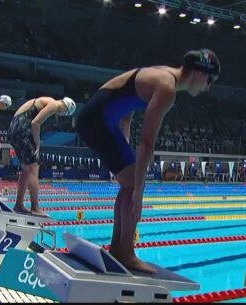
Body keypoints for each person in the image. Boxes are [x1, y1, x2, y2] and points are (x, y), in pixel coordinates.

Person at [76, 49, 220, 273]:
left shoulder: (162, 73)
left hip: (98, 118)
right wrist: (139, 193)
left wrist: (124, 138)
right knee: (133, 185)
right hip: (98, 121)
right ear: (199, 73)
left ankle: (118, 249)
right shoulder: (167, 88)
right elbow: (146, 143)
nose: (208, 87)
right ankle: (126, 254)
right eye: (210, 80)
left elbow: (127, 99)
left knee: (129, 182)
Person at [8, 96, 76, 217]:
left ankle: (19, 204)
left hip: (14, 128)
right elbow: (35, 123)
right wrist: (37, 142)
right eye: (65, 114)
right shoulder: (55, 105)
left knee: (25, 169)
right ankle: (35, 207)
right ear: (66, 107)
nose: (61, 115)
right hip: (21, 129)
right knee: (34, 167)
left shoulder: (47, 101)